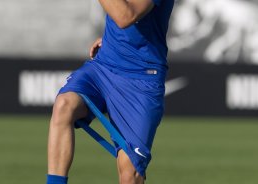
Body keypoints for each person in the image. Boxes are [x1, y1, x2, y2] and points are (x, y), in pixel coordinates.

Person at [46, 0, 175, 183]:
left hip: (141, 79)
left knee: (130, 175)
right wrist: (109, 39)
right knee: (64, 105)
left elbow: (126, 16)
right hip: (104, 66)